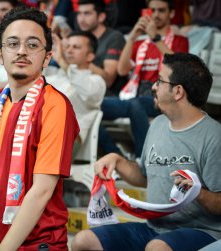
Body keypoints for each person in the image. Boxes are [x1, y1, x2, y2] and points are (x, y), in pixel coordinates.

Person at [72, 53, 221, 251]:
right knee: (83, 241)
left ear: (178, 91)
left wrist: (197, 193)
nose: (153, 86)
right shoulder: (158, 124)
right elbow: (144, 177)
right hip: (155, 228)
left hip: (201, 231)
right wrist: (117, 160)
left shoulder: (214, 135)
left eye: (159, 81)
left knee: (156, 248)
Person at [0, 6, 79, 251]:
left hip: (38, 245)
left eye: (33, 45)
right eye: (12, 44)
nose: (22, 51)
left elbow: (43, 190)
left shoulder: (56, 106)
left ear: (47, 57)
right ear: (0, 55)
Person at [100, 0, 189, 158]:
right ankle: (118, 156)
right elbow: (122, 70)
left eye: (161, 10)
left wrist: (155, 37)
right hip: (136, 97)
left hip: (164, 98)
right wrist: (132, 38)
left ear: (172, 13)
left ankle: (144, 159)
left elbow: (178, 67)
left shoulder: (180, 40)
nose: (155, 15)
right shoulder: (141, 43)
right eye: (152, 10)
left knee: (136, 104)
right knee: (93, 105)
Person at [48, 30, 106, 146]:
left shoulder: (97, 81)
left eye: (76, 47)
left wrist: (60, 60)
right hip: (44, 132)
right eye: (67, 46)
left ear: (90, 56)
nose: (69, 50)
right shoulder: (54, 78)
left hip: (70, 138)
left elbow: (88, 92)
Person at [76, 0, 126, 94]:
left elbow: (108, 80)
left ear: (101, 17)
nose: (81, 19)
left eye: (87, 13)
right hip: (84, 91)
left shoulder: (115, 38)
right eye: (79, 13)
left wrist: (82, 61)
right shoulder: (81, 37)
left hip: (108, 96)